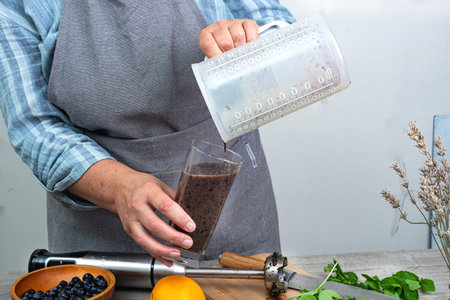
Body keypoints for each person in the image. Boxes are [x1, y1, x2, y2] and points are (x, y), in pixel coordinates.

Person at [0, 1, 295, 266]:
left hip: (235, 218)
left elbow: (289, 43)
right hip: (102, 243)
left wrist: (249, 45)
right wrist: (119, 188)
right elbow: (34, 126)